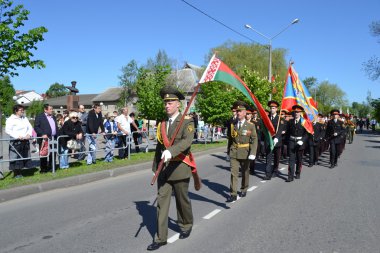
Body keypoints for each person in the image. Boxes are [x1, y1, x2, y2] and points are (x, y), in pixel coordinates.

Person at [147, 85, 197, 251]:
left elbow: (186, 142)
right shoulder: (162, 124)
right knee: (162, 203)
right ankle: (161, 237)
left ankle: (185, 224)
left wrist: (171, 151)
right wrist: (155, 167)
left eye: (170, 102)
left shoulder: (187, 121)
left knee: (182, 201)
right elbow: (159, 148)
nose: (167, 105)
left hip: (180, 167)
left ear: (178, 104)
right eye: (165, 102)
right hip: (164, 170)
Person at [226, 101, 257, 202]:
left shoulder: (250, 125)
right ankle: (233, 194)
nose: (238, 113)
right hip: (234, 151)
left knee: (245, 172)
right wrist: (228, 152)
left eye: (240, 111)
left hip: (245, 151)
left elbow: (254, 140)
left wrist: (252, 153)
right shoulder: (232, 124)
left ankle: (244, 188)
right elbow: (230, 139)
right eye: (237, 111)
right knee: (233, 173)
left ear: (245, 113)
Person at [5, 105, 33, 178]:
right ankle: (16, 173)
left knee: (23, 155)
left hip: (25, 140)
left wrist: (28, 134)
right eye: (21, 110)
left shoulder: (24, 118)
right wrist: (17, 136)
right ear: (16, 111)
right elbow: (7, 130)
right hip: (16, 141)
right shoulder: (11, 119)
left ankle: (21, 171)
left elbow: (30, 127)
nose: (22, 111)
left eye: (23, 110)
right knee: (15, 156)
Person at [285, 105, 309, 182]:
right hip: (292, 141)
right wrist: (287, 142)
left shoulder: (304, 122)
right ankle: (290, 176)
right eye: (295, 112)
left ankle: (298, 172)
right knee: (291, 159)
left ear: (301, 113)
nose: (296, 113)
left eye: (298, 112)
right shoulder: (290, 122)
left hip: (300, 143)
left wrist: (302, 140)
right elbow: (288, 132)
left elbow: (307, 133)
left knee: (299, 159)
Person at [34, 104, 59, 173]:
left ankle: (51, 168)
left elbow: (55, 127)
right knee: (44, 154)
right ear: (45, 110)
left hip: (53, 138)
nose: (52, 110)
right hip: (44, 139)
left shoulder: (53, 117)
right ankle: (43, 169)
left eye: (52, 109)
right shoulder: (40, 116)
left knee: (53, 154)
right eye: (50, 109)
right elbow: (36, 127)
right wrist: (42, 134)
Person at [265, 100, 286, 180]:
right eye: (271, 108)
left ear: (276, 109)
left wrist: (276, 137)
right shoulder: (267, 118)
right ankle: (267, 173)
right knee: (268, 157)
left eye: (273, 108)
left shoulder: (280, 119)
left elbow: (280, 129)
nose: (272, 109)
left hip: (277, 141)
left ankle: (275, 170)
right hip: (269, 140)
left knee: (277, 157)